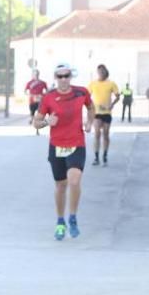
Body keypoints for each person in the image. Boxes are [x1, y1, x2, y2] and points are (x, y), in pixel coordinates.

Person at [33, 63, 94, 241]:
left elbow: (91, 107)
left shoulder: (81, 92)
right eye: (60, 76)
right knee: (61, 185)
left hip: (76, 143)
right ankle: (60, 221)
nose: (64, 79)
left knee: (74, 180)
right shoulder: (48, 97)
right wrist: (46, 122)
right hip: (56, 145)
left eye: (66, 75)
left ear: (71, 76)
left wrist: (89, 123)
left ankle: (73, 217)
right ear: (55, 78)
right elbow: (36, 123)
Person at [87, 64, 120, 166]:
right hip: (96, 112)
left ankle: (105, 155)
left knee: (106, 134)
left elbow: (118, 96)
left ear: (106, 72)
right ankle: (96, 157)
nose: (101, 73)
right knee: (97, 134)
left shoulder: (111, 84)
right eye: (99, 71)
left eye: (102, 71)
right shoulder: (93, 84)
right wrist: (91, 106)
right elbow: (87, 97)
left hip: (107, 113)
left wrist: (112, 105)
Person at [24, 68, 49, 132]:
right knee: (32, 113)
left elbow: (47, 91)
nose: (36, 75)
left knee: (39, 114)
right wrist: (30, 95)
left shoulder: (42, 83)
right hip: (32, 100)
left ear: (39, 74)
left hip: (40, 101)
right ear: (32, 75)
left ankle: (37, 128)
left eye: (37, 74)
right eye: (34, 74)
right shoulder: (29, 83)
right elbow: (25, 91)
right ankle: (32, 119)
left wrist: (42, 95)